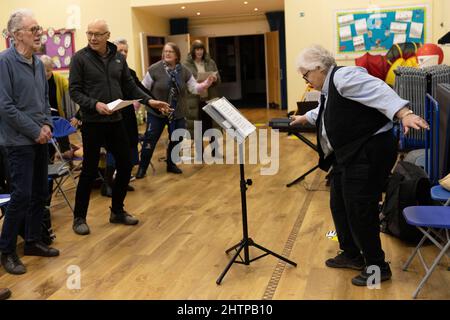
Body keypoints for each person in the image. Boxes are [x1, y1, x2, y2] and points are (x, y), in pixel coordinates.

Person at [290, 45, 429, 286]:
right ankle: (352, 255)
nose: (306, 79)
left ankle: (377, 268)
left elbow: (379, 91)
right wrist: (306, 117)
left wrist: (404, 113)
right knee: (339, 203)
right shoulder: (328, 85)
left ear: (319, 69)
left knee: (360, 208)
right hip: (351, 152)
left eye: (305, 74)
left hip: (370, 150)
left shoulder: (345, 77)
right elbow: (326, 109)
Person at [69, 19, 171, 235]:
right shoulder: (80, 58)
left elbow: (129, 86)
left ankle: (117, 210)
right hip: (92, 123)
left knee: (125, 164)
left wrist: (149, 101)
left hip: (115, 120)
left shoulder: (117, 58)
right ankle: (79, 218)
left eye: (97, 34)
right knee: (88, 170)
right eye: (89, 33)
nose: (92, 38)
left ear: (107, 35)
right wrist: (94, 105)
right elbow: (75, 91)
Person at [0, 9, 60, 275]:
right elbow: (5, 107)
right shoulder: (4, 63)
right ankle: (7, 251)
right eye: (33, 29)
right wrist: (36, 130)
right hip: (17, 142)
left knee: (40, 193)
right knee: (21, 196)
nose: (39, 33)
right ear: (16, 35)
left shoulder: (37, 63)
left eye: (39, 28)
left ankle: (33, 241)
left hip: (39, 138)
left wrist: (46, 124)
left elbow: (45, 102)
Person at [136, 42, 214, 178]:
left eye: (170, 52)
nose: (167, 54)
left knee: (176, 139)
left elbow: (193, 88)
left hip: (177, 112)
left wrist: (206, 84)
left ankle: (171, 164)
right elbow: (142, 89)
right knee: (150, 140)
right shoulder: (154, 69)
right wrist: (136, 107)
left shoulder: (184, 71)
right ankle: (142, 167)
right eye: (165, 51)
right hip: (157, 112)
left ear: (177, 55)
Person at [99, 38, 142, 197]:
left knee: (130, 148)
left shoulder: (130, 72)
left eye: (126, 51)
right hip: (111, 117)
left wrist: (152, 102)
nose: (123, 53)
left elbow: (140, 90)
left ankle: (120, 183)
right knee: (113, 151)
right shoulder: (105, 71)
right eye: (120, 50)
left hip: (128, 115)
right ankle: (107, 184)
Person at [183, 40, 221, 159]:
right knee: (197, 126)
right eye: (197, 49)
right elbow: (185, 83)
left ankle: (215, 151)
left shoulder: (210, 62)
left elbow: (219, 79)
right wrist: (197, 83)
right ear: (193, 51)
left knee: (212, 125)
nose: (199, 52)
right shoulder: (186, 65)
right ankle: (200, 153)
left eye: (201, 49)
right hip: (195, 100)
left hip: (210, 99)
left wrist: (214, 79)